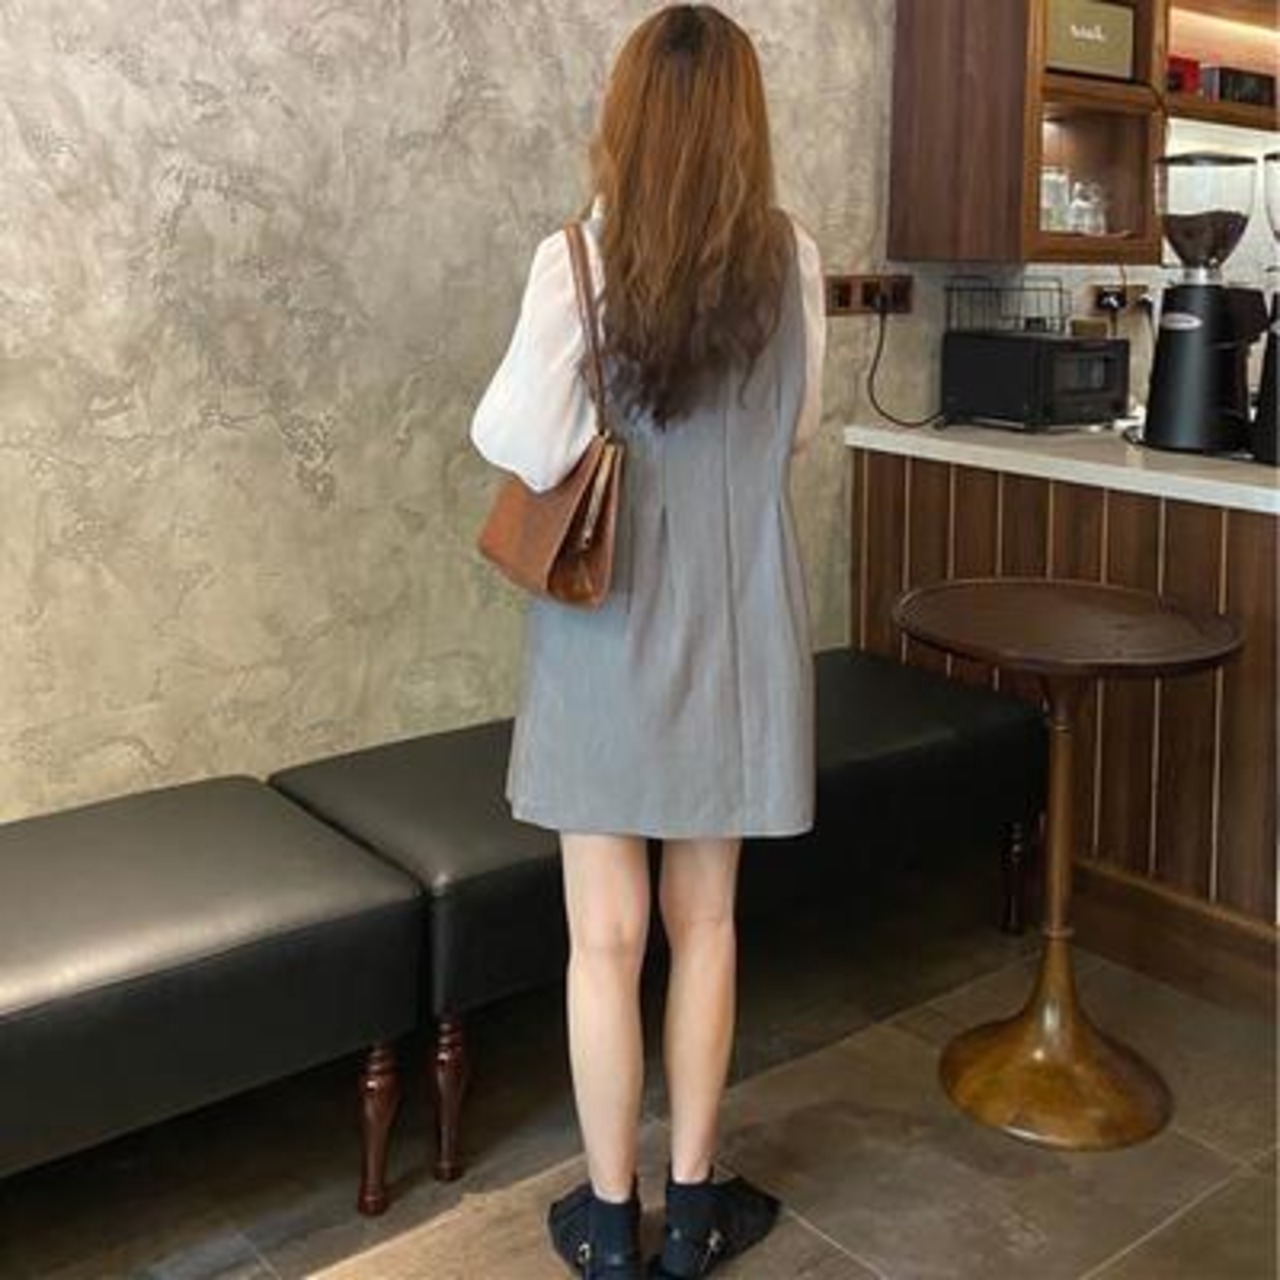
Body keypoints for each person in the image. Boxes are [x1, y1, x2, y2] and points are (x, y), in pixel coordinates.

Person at [470, 6, 826, 1277]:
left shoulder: (575, 261)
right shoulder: (794, 259)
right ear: (745, 124)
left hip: (606, 629)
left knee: (604, 940)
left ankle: (612, 1228)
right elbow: (793, 432)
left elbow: (515, 439)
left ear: (622, 120)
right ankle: (696, 1212)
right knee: (707, 922)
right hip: (737, 623)